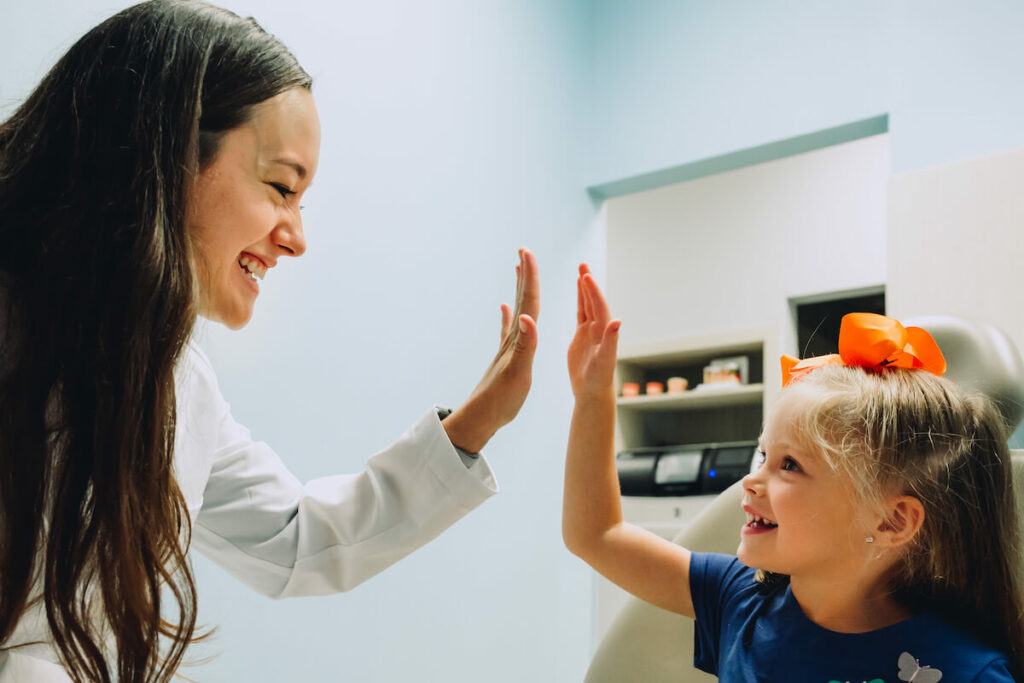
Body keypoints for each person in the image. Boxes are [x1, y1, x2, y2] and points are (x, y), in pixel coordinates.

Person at [0, 2, 539, 681]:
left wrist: (476, 422)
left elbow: (295, 540)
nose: (297, 236)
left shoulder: (175, 385)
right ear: (166, 153)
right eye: (282, 187)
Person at [563, 265, 1024, 681]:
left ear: (891, 521)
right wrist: (592, 397)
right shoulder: (738, 599)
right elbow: (597, 535)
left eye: (790, 466)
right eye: (763, 456)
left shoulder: (965, 672)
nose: (751, 480)